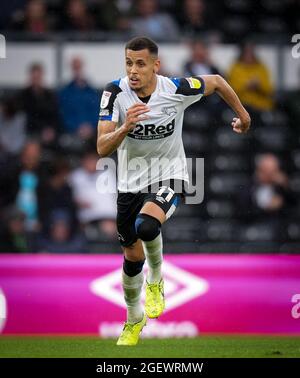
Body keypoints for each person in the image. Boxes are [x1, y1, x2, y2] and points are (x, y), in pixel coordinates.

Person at [97, 37, 250, 346]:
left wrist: (244, 115)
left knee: (148, 225)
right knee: (130, 259)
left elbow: (218, 82)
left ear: (156, 65)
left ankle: (156, 280)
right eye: (129, 63)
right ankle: (133, 318)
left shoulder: (175, 89)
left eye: (140, 64)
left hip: (171, 176)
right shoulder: (114, 93)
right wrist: (125, 127)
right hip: (129, 185)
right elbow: (101, 148)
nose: (133, 71)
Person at [227, 42, 274, 112]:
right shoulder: (235, 68)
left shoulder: (261, 68)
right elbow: (230, 89)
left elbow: (269, 90)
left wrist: (259, 86)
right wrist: (246, 85)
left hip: (261, 106)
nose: (249, 56)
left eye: (251, 53)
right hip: (241, 105)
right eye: (246, 53)